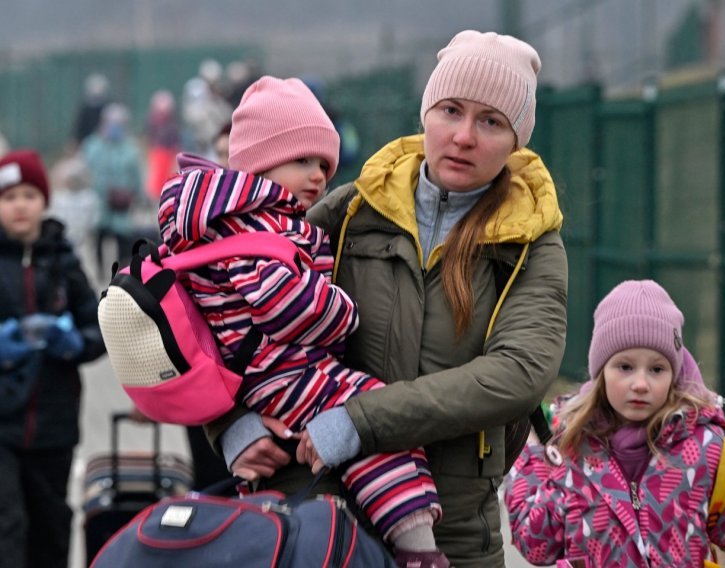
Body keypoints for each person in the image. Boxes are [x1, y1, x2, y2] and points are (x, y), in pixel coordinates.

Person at [212, 30, 567, 567]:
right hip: (318, 519)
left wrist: (361, 420)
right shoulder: (352, 211)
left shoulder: (530, 241)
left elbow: (518, 373)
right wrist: (230, 426)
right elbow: (219, 305)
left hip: (451, 532)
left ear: (517, 140)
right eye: (450, 110)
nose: (464, 136)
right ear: (426, 113)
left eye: (491, 121)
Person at [158, 76, 446, 566]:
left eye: (324, 165)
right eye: (301, 161)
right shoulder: (257, 227)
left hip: (264, 376)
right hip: (281, 372)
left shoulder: (233, 221)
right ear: (259, 164)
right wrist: (343, 312)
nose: (317, 176)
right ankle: (417, 548)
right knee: (376, 419)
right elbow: (283, 304)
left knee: (360, 435)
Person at [504, 280, 725, 567]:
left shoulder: (704, 446)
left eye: (657, 368)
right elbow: (536, 546)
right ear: (601, 372)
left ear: (675, 374)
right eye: (625, 367)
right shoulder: (571, 447)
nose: (641, 384)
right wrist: (532, 461)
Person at [0, 149, 106, 568]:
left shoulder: (63, 260)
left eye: (29, 194)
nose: (20, 205)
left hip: (55, 426)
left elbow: (99, 329)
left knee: (51, 527)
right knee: (7, 525)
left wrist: (75, 343)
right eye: (9, 197)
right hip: (2, 427)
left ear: (44, 200)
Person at [81, 103, 144, 274]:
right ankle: (100, 271)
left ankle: (121, 272)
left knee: (123, 238)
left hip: (120, 202)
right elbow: (85, 170)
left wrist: (138, 196)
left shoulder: (130, 149)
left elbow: (137, 176)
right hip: (99, 201)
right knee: (99, 236)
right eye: (111, 122)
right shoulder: (93, 146)